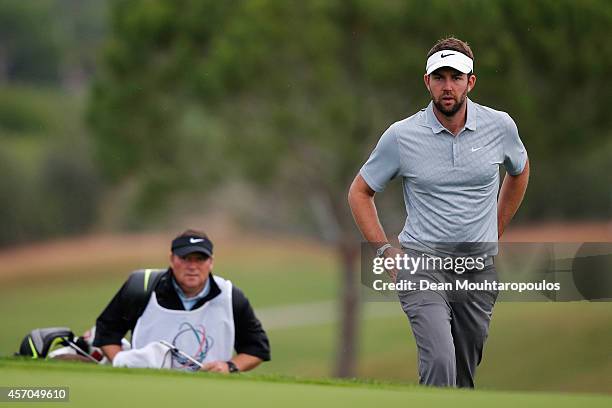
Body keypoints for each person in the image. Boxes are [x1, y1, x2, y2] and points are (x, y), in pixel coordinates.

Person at [348, 37, 529, 387]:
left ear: (470, 82)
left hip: (477, 268)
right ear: (427, 81)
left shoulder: (501, 126)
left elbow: (520, 171)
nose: (448, 86)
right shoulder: (401, 136)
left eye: (456, 77)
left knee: (463, 373)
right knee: (440, 361)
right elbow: (359, 192)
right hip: (422, 264)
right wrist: (385, 252)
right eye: (440, 77)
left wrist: (495, 229)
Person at [93, 229, 270, 373]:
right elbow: (107, 331)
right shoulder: (142, 287)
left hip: (210, 393)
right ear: (172, 259)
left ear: (211, 263)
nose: (192, 266)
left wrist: (229, 367)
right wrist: (121, 362)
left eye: (200, 259)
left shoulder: (230, 297)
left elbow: (256, 348)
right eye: (185, 258)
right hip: (146, 387)